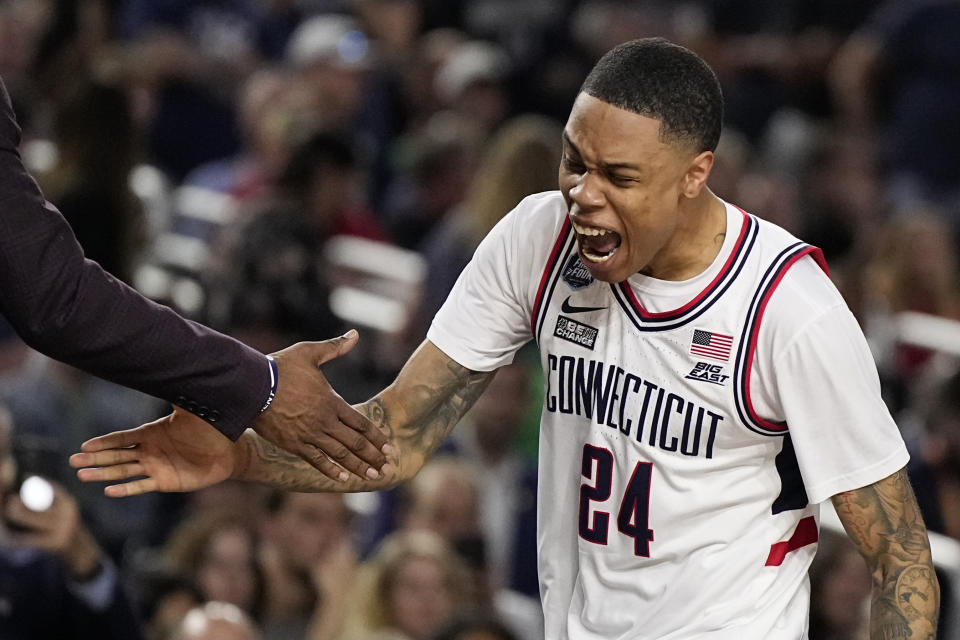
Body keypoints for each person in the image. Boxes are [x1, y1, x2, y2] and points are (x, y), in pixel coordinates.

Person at [73, 38, 941, 638]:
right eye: (574, 160)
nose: (583, 193)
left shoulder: (790, 307)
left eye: (619, 176)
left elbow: (899, 552)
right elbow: (400, 438)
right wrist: (244, 457)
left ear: (695, 176)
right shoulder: (538, 236)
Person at [0, 73, 389, 482]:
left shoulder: (263, 217)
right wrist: (262, 385)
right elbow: (58, 300)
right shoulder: (275, 227)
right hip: (81, 375)